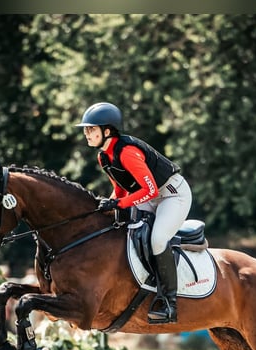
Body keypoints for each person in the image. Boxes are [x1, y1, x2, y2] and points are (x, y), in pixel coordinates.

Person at [76, 102, 192, 323]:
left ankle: (169, 302)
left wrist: (119, 204)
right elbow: (121, 188)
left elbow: (149, 190)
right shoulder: (104, 156)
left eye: (91, 129)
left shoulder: (127, 152)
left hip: (172, 195)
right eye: (86, 129)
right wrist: (108, 205)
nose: (86, 133)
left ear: (107, 131)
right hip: (148, 196)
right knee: (118, 226)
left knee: (157, 240)